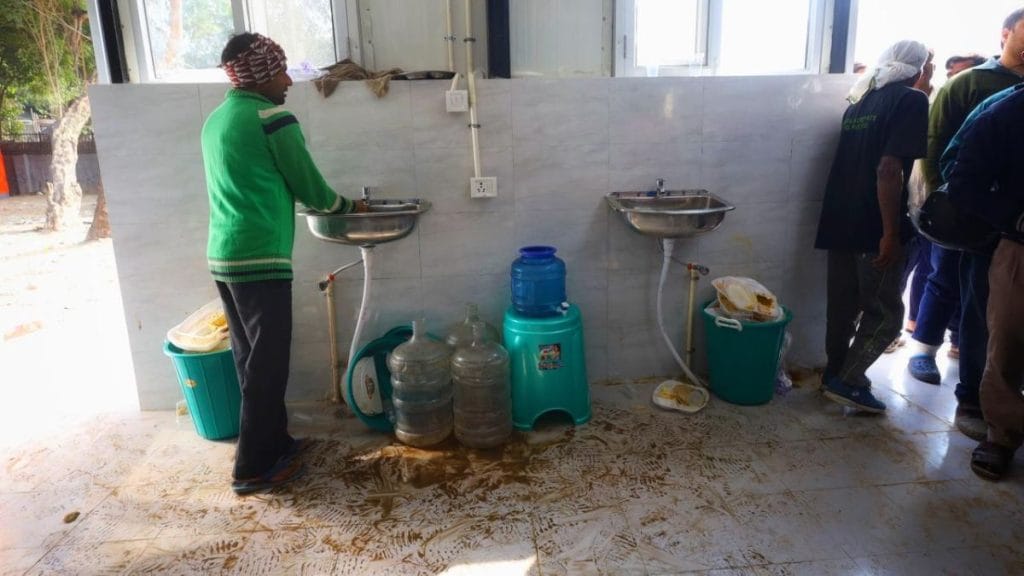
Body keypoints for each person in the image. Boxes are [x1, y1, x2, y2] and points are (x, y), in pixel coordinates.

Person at [202, 33, 362, 495]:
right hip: (260, 258)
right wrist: (349, 206)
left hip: (224, 256)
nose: (288, 80)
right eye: (280, 71)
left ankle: (274, 443)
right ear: (258, 76)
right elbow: (313, 190)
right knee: (267, 366)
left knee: (249, 360)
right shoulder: (272, 117)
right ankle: (251, 467)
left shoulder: (217, 121)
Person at [906, 7, 1024, 441]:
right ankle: (967, 394)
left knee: (996, 317)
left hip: (1001, 224)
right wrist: (946, 206)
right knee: (961, 295)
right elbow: (935, 146)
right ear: (1006, 34)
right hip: (972, 218)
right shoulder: (976, 87)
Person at [815, 40, 930, 413]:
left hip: (839, 220)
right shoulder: (911, 101)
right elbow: (888, 170)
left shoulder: (860, 101)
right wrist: (891, 233)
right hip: (872, 224)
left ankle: (834, 373)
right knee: (886, 315)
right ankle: (847, 381)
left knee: (842, 306)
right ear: (919, 70)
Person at [942, 83, 1024, 480]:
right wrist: (1014, 217)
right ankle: (1002, 435)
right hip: (1017, 247)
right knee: (1005, 342)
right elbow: (961, 181)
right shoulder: (1006, 112)